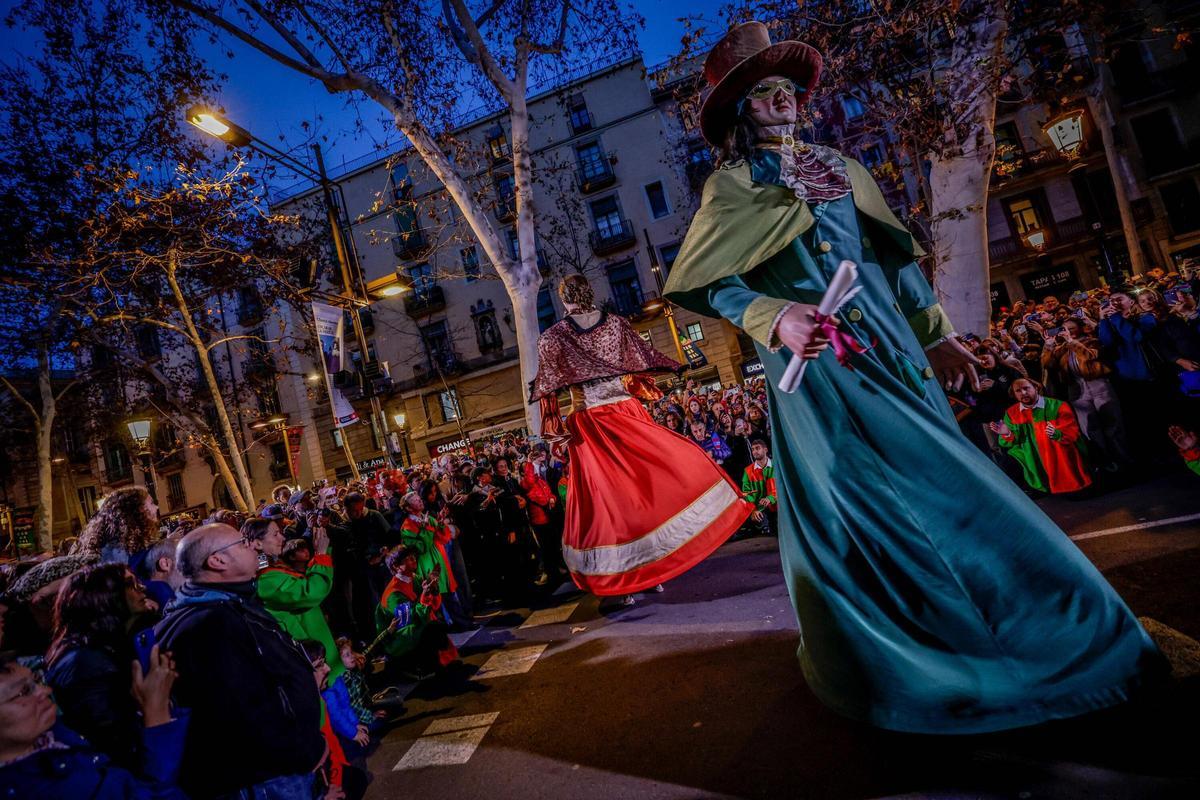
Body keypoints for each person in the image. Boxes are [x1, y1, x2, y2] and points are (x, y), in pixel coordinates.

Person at [661, 21, 1164, 733]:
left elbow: (895, 262)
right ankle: (909, 657)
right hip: (818, 359)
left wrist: (938, 338)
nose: (782, 103)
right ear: (742, 109)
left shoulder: (844, 168)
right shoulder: (732, 186)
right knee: (868, 500)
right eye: (764, 94)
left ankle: (1031, 628)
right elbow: (714, 286)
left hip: (892, 346)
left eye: (787, 91)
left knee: (946, 478)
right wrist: (775, 317)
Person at [529, 274, 750, 596]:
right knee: (649, 487)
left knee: (610, 501)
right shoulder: (616, 324)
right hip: (628, 412)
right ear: (590, 293)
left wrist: (555, 433)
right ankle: (655, 565)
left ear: (564, 299)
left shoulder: (553, 337)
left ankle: (628, 576)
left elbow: (546, 388)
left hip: (591, 423)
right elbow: (640, 365)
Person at [154, 523, 325, 798]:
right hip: (268, 779)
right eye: (242, 543)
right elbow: (245, 714)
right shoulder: (208, 626)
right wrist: (303, 751)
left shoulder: (228, 605)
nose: (251, 546)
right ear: (217, 560)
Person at [0, 648, 186, 800]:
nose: (45, 690)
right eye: (24, 691)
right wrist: (157, 716)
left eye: (36, 680)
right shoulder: (40, 789)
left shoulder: (53, 738)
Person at [44, 563, 159, 768]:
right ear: (104, 597)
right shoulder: (87, 664)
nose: (142, 588)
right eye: (129, 584)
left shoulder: (107, 645)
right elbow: (113, 741)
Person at [245, 516, 344, 684]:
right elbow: (310, 592)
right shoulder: (265, 580)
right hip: (311, 658)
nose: (282, 538)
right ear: (257, 543)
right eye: (275, 534)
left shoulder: (271, 568)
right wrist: (320, 554)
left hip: (315, 646)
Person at [991, 378, 1092, 494]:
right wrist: (1007, 433)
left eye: (1026, 388)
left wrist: (1057, 434)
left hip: (1056, 451)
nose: (1023, 393)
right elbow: (1009, 441)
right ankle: (1034, 488)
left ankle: (1068, 486)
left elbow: (1071, 433)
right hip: (1031, 455)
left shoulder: (1057, 406)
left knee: (1075, 495)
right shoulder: (1011, 413)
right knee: (1007, 461)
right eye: (1018, 391)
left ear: (1036, 388)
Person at [376, 547, 459, 681]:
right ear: (397, 567)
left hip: (415, 625)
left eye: (412, 556)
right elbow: (409, 623)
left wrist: (433, 589)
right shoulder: (394, 593)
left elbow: (434, 607)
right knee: (433, 628)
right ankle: (422, 667)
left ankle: (436, 663)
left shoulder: (414, 578)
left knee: (437, 624)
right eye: (407, 559)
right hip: (400, 636)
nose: (413, 559)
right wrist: (425, 597)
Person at [74, 486, 160, 564]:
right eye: (152, 503)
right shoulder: (115, 550)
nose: (157, 507)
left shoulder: (129, 542)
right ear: (138, 509)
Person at [741, 439, 778, 536]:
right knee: (762, 528)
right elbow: (746, 495)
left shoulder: (777, 466)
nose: (754, 452)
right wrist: (753, 511)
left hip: (778, 506)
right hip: (759, 509)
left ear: (765, 450)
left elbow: (781, 488)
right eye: (753, 449)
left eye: (757, 448)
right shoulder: (748, 471)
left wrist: (770, 498)